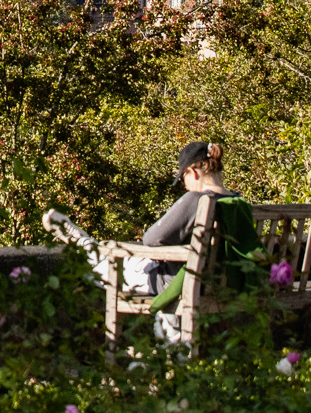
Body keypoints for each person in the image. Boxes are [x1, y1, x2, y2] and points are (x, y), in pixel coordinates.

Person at [41, 141, 240, 342]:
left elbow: (151, 239)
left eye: (183, 179)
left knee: (101, 265)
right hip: (219, 284)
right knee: (112, 261)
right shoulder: (237, 202)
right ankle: (84, 243)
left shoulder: (195, 199)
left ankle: (80, 242)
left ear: (193, 173)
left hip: (174, 281)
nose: (185, 185)